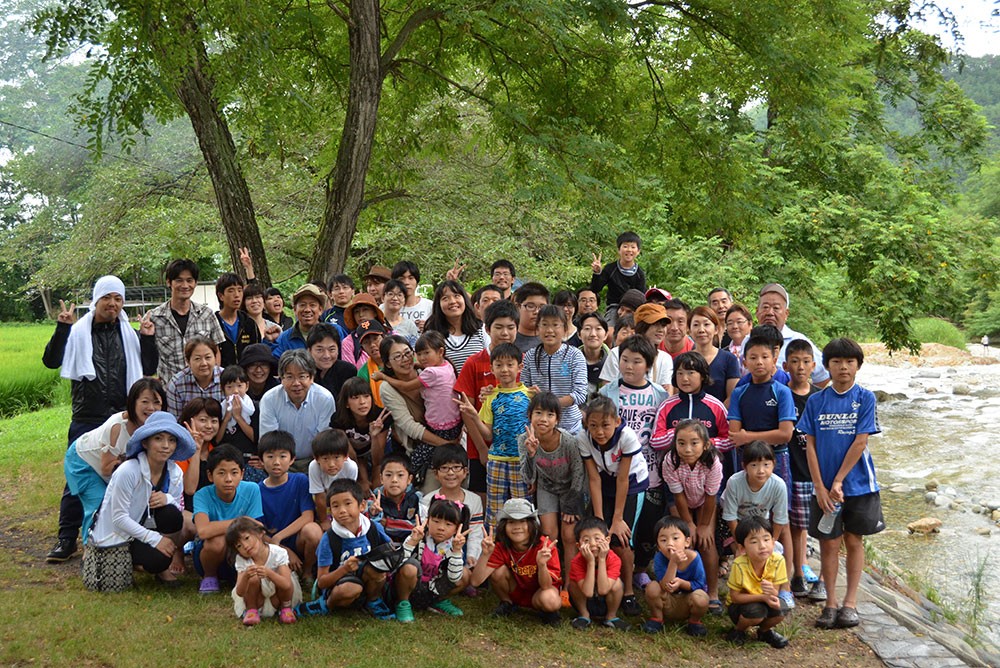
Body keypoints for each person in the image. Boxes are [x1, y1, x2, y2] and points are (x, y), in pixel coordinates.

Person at [42, 275, 158, 562]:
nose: (113, 304)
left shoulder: (128, 334)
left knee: (123, 476)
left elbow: (149, 367)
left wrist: (147, 338)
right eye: (108, 297)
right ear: (97, 299)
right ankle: (66, 539)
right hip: (88, 417)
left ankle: (121, 537)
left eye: (118, 298)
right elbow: (51, 361)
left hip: (122, 417)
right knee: (76, 479)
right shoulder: (78, 331)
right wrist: (62, 328)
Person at [800, 337, 884, 630]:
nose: (843, 367)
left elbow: (861, 442)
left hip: (859, 485)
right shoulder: (816, 401)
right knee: (828, 542)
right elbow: (809, 445)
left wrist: (837, 481)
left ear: (858, 366)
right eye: (836, 362)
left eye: (849, 362)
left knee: (853, 540)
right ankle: (830, 603)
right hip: (823, 487)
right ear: (826, 367)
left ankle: (850, 603)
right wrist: (820, 487)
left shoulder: (865, 397)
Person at [86, 411, 195, 585]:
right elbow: (119, 518)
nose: (166, 445)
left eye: (172, 440)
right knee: (155, 557)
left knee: (172, 515)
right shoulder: (128, 470)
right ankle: (140, 562)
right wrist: (155, 539)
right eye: (158, 439)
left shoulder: (174, 472)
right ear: (145, 442)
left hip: (145, 528)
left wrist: (167, 498)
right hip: (118, 535)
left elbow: (177, 507)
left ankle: (161, 566)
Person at [599, 335, 670, 589]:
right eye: (625, 360)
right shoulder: (607, 392)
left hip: (650, 472)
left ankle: (641, 569)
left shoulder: (660, 395)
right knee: (619, 526)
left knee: (647, 524)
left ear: (649, 365)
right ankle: (613, 571)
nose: (629, 366)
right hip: (615, 473)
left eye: (636, 361)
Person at [63, 378, 166, 549]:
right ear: (133, 403)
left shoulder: (156, 427)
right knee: (100, 504)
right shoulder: (117, 427)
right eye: (145, 402)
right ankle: (92, 550)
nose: (151, 408)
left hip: (112, 467)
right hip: (83, 462)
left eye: (157, 402)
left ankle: (122, 547)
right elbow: (106, 469)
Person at [577, 395, 649, 617]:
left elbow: (623, 480)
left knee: (621, 538)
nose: (599, 432)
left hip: (631, 484)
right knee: (595, 534)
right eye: (594, 426)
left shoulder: (627, 437)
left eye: (605, 425)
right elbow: (594, 479)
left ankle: (627, 592)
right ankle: (597, 589)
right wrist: (600, 521)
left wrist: (617, 519)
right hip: (603, 482)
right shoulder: (583, 438)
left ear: (617, 421)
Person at [295, 479, 400, 620]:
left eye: (348, 503)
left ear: (362, 505)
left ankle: (373, 601)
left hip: (367, 580)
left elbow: (390, 550)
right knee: (351, 588)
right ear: (330, 511)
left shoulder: (373, 528)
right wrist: (344, 569)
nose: (342, 510)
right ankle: (326, 604)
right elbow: (322, 581)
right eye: (335, 506)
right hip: (340, 584)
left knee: (379, 571)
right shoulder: (329, 539)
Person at [518, 392, 586, 601]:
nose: (543, 419)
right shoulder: (524, 439)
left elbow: (578, 472)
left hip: (571, 489)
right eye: (538, 413)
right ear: (530, 415)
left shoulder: (567, 441)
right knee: (548, 534)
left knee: (569, 535)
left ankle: (569, 585)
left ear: (557, 419)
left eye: (550, 414)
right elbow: (528, 476)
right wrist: (531, 454)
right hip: (546, 487)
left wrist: (571, 505)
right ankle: (551, 581)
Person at [457, 343, 533, 524]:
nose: (504, 370)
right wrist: (474, 417)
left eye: (510, 364)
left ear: (520, 367)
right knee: (494, 511)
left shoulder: (530, 395)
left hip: (521, 462)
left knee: (522, 509)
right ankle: (494, 546)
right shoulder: (491, 397)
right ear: (491, 369)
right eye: (499, 365)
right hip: (497, 461)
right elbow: (488, 435)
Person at [453, 299, 520, 493]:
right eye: (499, 327)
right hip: (481, 448)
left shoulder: (522, 362)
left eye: (510, 327)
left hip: (516, 451)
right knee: (484, 499)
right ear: (488, 329)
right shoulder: (473, 363)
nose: (505, 333)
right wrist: (482, 449)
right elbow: (467, 410)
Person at [378, 336, 458, 485]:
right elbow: (410, 426)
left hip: (452, 435)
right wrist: (446, 444)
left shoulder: (427, 371)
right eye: (397, 356)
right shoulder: (387, 388)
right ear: (388, 363)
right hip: (425, 444)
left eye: (408, 353)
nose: (405, 359)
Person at [720, 441, 791, 609]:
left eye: (766, 464)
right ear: (744, 466)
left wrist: (772, 540)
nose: (761, 471)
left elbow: (780, 519)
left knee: (774, 552)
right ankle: (739, 593)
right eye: (754, 465)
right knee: (742, 557)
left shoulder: (778, 484)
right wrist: (740, 543)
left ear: (774, 464)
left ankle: (778, 589)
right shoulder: (735, 482)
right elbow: (729, 516)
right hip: (734, 525)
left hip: (759, 526)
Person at [660, 419, 722, 612]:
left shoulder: (713, 462)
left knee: (706, 541)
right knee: (684, 539)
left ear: (706, 445)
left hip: (705, 501)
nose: (687, 449)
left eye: (694, 443)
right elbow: (677, 496)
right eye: (681, 443)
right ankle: (681, 585)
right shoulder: (671, 460)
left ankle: (712, 592)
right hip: (680, 501)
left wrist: (703, 526)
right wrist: (688, 523)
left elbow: (711, 496)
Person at [471, 498, 563, 626]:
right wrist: (485, 554)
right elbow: (475, 581)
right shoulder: (501, 546)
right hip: (515, 590)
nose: (517, 527)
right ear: (504, 526)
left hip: (540, 593)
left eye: (522, 521)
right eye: (511, 522)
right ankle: (507, 603)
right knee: (498, 571)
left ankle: (547, 612)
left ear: (532, 524)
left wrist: (541, 565)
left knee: (551, 600)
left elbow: (546, 587)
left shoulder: (545, 547)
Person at [783, 339, 825, 601]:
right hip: (792, 470)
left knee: (822, 527)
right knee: (796, 527)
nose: (800, 367)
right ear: (786, 365)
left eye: (805, 362)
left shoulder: (819, 398)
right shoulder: (781, 393)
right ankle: (796, 574)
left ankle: (822, 579)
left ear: (814, 365)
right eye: (795, 362)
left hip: (817, 472)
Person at [192, 444, 265, 594]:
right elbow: (204, 531)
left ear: (242, 474)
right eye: (221, 473)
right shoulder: (202, 495)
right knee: (217, 540)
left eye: (234, 472)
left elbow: (255, 530)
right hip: (209, 555)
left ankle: (244, 576)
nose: (228, 479)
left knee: (252, 541)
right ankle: (209, 576)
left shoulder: (252, 489)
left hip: (243, 551)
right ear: (210, 475)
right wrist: (242, 520)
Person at [256, 430, 322, 589]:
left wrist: (279, 537)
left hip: (295, 538)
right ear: (261, 460)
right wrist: (282, 548)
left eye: (282, 456)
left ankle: (307, 573)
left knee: (313, 530)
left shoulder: (300, 480)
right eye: (270, 456)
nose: (276, 462)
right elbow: (258, 530)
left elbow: (308, 517)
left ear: (292, 459)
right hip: (271, 545)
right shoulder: (257, 490)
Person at [148, 258, 226, 381]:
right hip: (169, 392)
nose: (185, 286)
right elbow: (147, 358)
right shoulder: (154, 317)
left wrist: (213, 381)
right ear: (169, 282)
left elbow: (216, 352)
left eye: (189, 280)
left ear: (195, 283)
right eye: (179, 280)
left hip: (202, 392)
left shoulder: (207, 315)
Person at [259, 349, 336, 471]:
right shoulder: (269, 399)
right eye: (289, 377)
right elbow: (269, 441)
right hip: (281, 463)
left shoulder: (324, 399)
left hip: (316, 462)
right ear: (281, 379)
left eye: (302, 376)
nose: (296, 383)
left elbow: (324, 440)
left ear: (311, 378)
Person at [397, 496, 472, 620]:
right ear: (428, 520)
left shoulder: (454, 544)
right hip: (412, 586)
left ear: (456, 528)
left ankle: (438, 601)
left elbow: (455, 577)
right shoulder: (418, 536)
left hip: (434, 588)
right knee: (409, 568)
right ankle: (403, 603)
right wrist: (412, 542)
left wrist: (457, 551)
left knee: (465, 574)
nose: (441, 527)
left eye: (448, 524)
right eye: (436, 521)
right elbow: (398, 564)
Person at [521, 305, 588, 434]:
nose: (549, 330)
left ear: (564, 329)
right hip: (540, 427)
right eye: (544, 325)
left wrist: (548, 404)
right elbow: (524, 390)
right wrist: (530, 393)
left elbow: (580, 394)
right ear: (538, 328)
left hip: (571, 427)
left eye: (555, 325)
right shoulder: (530, 355)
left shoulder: (575, 355)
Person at [726, 515, 790, 648]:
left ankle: (764, 632)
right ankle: (738, 630)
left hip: (764, 601)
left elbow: (775, 592)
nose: (762, 546)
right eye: (754, 542)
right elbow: (735, 597)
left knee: (782, 609)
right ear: (742, 548)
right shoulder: (739, 564)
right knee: (756, 613)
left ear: (773, 542)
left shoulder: (778, 561)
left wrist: (772, 594)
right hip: (741, 605)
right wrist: (763, 597)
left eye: (766, 540)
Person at [419, 445, 486, 570]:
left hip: (461, 550)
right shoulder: (428, 499)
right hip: (432, 553)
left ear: (465, 471)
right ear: (436, 473)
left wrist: (472, 556)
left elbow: (475, 532)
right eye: (444, 468)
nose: (450, 473)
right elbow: (425, 532)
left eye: (456, 467)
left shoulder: (474, 500)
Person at [226, 516, 302, 625]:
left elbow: (286, 584)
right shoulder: (242, 560)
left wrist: (269, 573)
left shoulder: (278, 553)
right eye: (239, 546)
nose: (245, 546)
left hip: (278, 594)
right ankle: (251, 610)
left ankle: (285, 608)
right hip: (257, 598)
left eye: (247, 538)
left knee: (285, 577)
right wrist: (246, 577)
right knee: (253, 578)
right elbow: (240, 592)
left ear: (260, 533)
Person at [641, 516, 709, 637]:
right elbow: (665, 586)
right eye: (663, 540)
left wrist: (682, 583)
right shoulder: (659, 558)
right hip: (668, 600)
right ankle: (657, 618)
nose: (670, 544)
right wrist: (673, 562)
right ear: (658, 546)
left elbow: (700, 584)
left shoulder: (694, 557)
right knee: (652, 587)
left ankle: (694, 621)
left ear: (687, 542)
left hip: (689, 601)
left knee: (702, 597)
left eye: (675, 538)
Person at [756, 283, 829, 386]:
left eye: (776, 308)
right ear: (757, 311)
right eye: (765, 307)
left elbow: (824, 374)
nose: (770, 312)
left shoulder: (798, 341)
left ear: (786, 314)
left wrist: (805, 397)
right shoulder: (747, 341)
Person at [567, 517, 626, 631]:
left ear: (607, 540)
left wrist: (602, 559)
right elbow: (588, 592)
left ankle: (611, 616)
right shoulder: (577, 561)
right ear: (579, 546)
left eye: (597, 538)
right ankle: (584, 615)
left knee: (617, 584)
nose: (593, 544)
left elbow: (604, 590)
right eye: (586, 540)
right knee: (573, 584)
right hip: (587, 600)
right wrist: (590, 562)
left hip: (606, 600)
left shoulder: (614, 559)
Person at [599, 303, 674, 388]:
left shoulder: (665, 358)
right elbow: (607, 390)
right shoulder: (617, 353)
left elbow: (667, 392)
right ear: (641, 326)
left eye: (663, 325)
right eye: (655, 324)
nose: (661, 330)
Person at [334, 377, 390, 489]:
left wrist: (374, 436)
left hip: (379, 452)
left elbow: (377, 460)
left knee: (378, 484)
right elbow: (351, 455)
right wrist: (361, 479)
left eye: (366, 396)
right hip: (354, 455)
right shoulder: (338, 419)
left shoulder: (380, 416)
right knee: (361, 485)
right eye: (355, 398)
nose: (362, 402)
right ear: (346, 403)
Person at [423, 280, 488, 375]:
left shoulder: (481, 329)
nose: (452, 301)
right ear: (438, 304)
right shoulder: (431, 333)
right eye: (445, 298)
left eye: (457, 296)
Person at [589, 231, 646, 328]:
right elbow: (595, 289)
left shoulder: (639, 273)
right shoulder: (610, 269)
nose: (629, 250)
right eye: (625, 246)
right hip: (614, 307)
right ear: (619, 250)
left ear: (638, 251)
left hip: (633, 309)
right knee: (609, 331)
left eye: (633, 247)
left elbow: (641, 296)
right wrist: (597, 273)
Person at [688, 305, 740, 406]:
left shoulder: (729, 359)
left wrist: (715, 416)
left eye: (706, 324)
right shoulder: (682, 361)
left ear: (716, 329)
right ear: (689, 330)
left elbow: (732, 396)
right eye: (696, 325)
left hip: (720, 418)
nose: (701, 330)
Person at [307, 429, 359, 528]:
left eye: (336, 458)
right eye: (325, 459)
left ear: (345, 456)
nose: (331, 464)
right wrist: (324, 521)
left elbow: (348, 494)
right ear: (317, 458)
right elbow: (319, 496)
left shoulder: (351, 467)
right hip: (322, 502)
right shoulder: (314, 466)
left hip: (341, 501)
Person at [218, 365, 261, 482]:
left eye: (239, 386)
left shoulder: (254, 407)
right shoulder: (220, 408)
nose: (235, 391)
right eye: (230, 387)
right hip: (226, 460)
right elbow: (217, 440)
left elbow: (255, 437)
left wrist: (238, 417)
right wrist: (227, 418)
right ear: (223, 389)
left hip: (249, 461)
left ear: (246, 386)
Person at [368, 452, 421, 543]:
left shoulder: (417, 498)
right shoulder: (374, 499)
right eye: (388, 475)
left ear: (409, 479)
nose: (394, 480)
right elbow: (368, 526)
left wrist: (388, 523)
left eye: (400, 475)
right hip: (382, 546)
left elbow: (417, 527)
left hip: (411, 545)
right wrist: (373, 515)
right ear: (381, 479)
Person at [164, 337, 224, 417]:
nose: (204, 363)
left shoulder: (226, 378)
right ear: (188, 362)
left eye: (208, 357)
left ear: (215, 358)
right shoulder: (176, 384)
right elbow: (175, 421)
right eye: (197, 359)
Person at [214, 272, 263, 368]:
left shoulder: (249, 323)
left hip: (246, 378)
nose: (237, 295)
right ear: (221, 296)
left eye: (240, 290)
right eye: (231, 291)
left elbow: (257, 353)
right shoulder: (213, 323)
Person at [270, 284, 328, 360]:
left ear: (320, 310)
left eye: (312, 305)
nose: (307, 310)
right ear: (295, 310)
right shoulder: (285, 338)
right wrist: (269, 342)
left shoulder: (334, 332)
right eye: (302, 305)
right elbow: (273, 363)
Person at [307, 324, 357, 400]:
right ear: (309, 351)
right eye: (319, 350)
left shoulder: (348, 371)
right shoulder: (304, 372)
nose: (326, 355)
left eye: (331, 349)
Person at [339, 293, 386, 369]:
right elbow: (350, 373)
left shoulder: (391, 334)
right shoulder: (348, 342)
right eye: (356, 312)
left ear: (374, 312)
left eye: (365, 309)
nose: (361, 315)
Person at [392, 261, 434, 329]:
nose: (406, 282)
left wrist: (428, 328)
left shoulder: (429, 306)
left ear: (417, 281)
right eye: (402, 279)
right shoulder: (387, 307)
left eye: (411, 278)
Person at [578, 311, 609, 398]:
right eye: (587, 328)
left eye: (598, 329)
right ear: (579, 334)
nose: (593, 334)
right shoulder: (570, 360)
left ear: (606, 334)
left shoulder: (613, 361)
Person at [512, 282, 549, 354]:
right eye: (530, 306)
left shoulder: (553, 342)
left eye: (542, 307)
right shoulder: (508, 339)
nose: (537, 312)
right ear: (517, 307)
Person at [380, 278, 420, 345]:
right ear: (383, 298)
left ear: (404, 300)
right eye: (391, 294)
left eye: (399, 295)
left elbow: (414, 351)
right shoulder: (376, 323)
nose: (395, 298)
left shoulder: (409, 326)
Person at [724, 304, 753, 375]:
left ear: (750, 324)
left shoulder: (759, 348)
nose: (735, 326)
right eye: (730, 323)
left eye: (739, 322)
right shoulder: (723, 353)